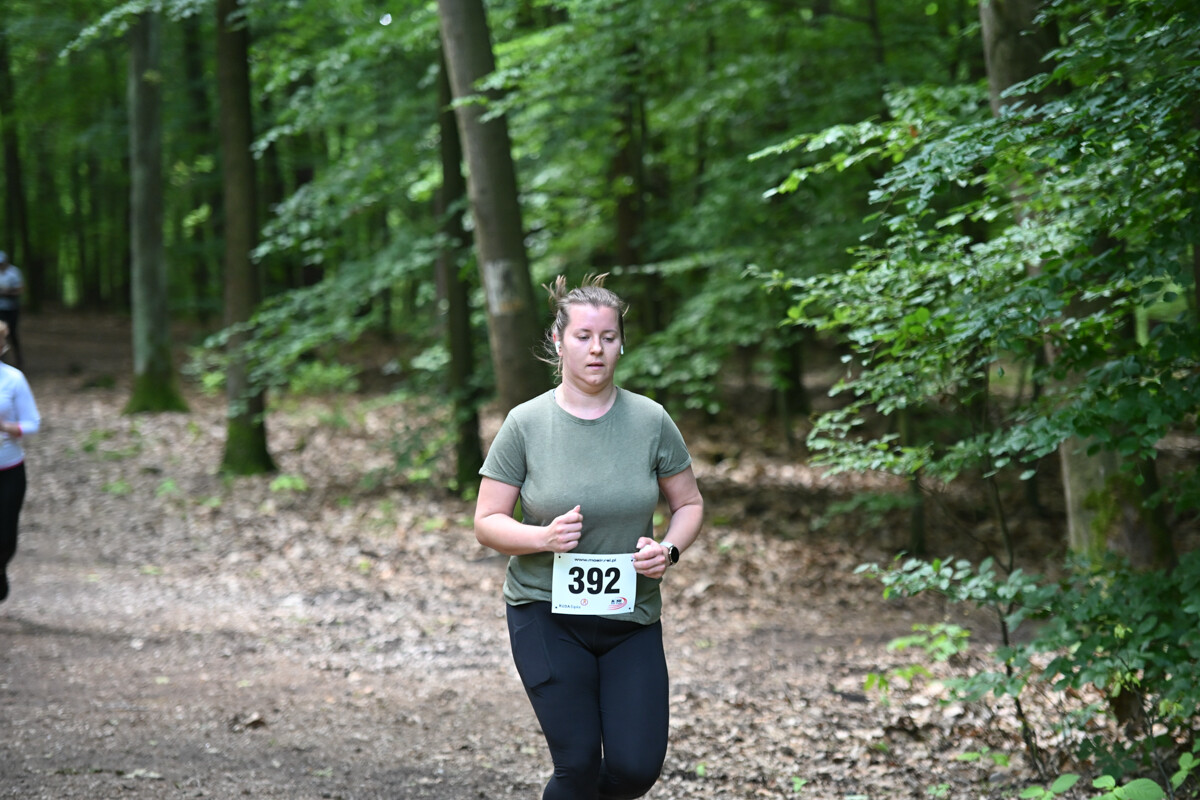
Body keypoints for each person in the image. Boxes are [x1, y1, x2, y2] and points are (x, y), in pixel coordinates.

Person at [474, 274, 704, 800]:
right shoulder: (525, 423)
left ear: (621, 343)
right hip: (545, 614)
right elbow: (487, 521)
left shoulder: (651, 420)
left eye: (607, 336)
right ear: (559, 341)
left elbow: (688, 504)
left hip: (630, 618)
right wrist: (542, 537)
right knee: (577, 766)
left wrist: (668, 549)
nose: (596, 348)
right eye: (583, 336)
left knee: (634, 769)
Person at [0, 320, 39, 603]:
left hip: (10, 470)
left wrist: (7, 428)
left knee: (5, 538)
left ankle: (0, 569)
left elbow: (33, 423)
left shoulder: (13, 379)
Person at [0, 251, 23, 369]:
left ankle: (19, 360)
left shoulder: (14, 272)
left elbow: (19, 289)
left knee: (12, 333)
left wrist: (7, 292)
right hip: (0, 309)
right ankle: (2, 360)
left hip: (12, 308)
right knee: (1, 333)